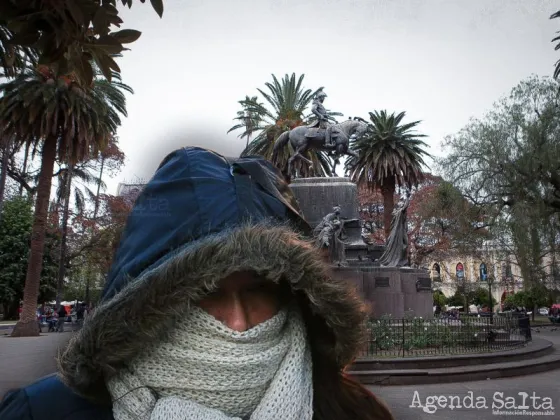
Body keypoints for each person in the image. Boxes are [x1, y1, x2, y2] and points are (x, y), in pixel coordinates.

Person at [0, 147, 394, 420]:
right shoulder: (45, 412)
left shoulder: (353, 411)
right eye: (207, 292)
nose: (238, 323)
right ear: (150, 304)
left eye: (259, 289)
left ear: (293, 295)